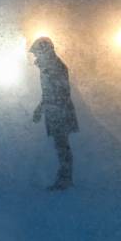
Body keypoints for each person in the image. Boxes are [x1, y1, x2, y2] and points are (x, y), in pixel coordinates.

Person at [29, 37, 79, 190]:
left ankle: (65, 179)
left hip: (60, 112)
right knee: (61, 145)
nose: (36, 56)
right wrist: (41, 108)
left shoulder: (55, 67)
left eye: (37, 53)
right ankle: (65, 177)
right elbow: (49, 93)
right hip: (56, 111)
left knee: (62, 145)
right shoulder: (48, 66)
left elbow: (61, 92)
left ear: (45, 51)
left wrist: (47, 108)